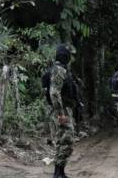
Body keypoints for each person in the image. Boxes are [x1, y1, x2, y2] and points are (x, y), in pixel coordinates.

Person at [50, 44, 76, 178]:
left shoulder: (59, 69)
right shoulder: (59, 70)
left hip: (63, 109)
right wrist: (61, 114)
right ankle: (58, 172)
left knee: (62, 141)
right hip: (62, 111)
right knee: (67, 141)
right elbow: (54, 93)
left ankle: (59, 172)